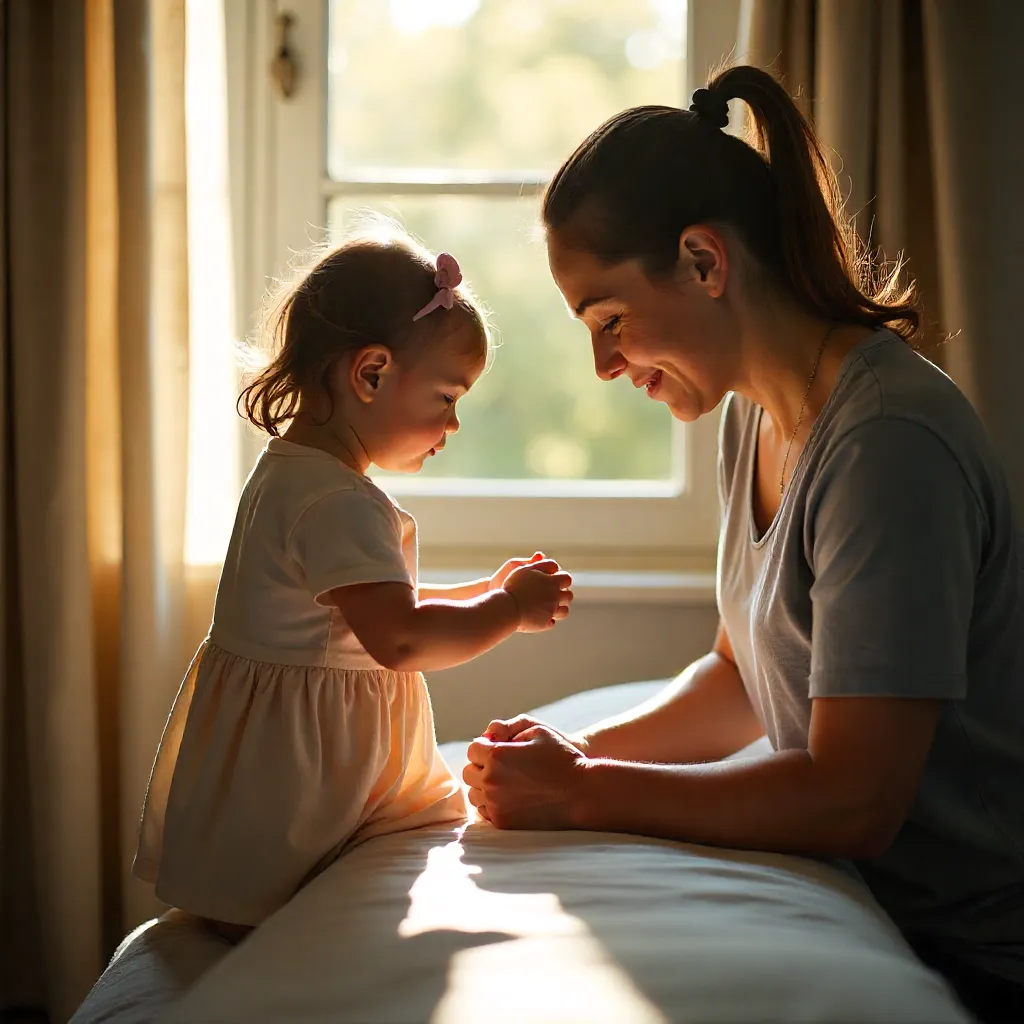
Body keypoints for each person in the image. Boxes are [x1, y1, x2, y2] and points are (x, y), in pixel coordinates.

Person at [463, 66, 1024, 1022]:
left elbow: (854, 800)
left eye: (610, 321)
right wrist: (574, 753)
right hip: (873, 910)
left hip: (972, 953)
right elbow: (739, 680)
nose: (603, 366)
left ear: (704, 261)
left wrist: (587, 792)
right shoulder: (754, 412)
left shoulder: (888, 443)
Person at [133, 232, 574, 938]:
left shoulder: (290, 473)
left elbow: (366, 610)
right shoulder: (340, 502)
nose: (454, 423)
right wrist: (508, 609)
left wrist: (479, 590)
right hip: (313, 775)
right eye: (446, 396)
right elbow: (400, 640)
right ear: (370, 373)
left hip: (286, 753)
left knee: (285, 901)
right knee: (307, 912)